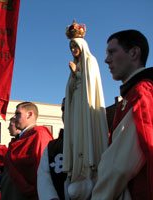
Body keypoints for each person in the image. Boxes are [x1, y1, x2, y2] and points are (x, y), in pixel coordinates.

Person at [91, 30, 153, 200]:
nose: (106, 60)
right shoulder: (133, 93)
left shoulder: (141, 93)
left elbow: (119, 166)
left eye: (112, 52)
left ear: (133, 52)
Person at [63, 21, 108, 199]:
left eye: (75, 46)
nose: (73, 49)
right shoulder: (75, 66)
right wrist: (74, 76)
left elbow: (91, 84)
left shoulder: (90, 61)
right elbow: (72, 88)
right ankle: (77, 171)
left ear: (82, 45)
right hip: (76, 108)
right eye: (71, 46)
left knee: (85, 134)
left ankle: (89, 169)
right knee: (77, 137)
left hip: (86, 106)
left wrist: (77, 73)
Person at [0, 101, 53, 200]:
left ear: (30, 114)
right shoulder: (21, 139)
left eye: (18, 114)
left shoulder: (39, 134)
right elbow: (16, 168)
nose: (15, 117)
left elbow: (41, 171)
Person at [37, 98, 67, 200]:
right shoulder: (52, 147)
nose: (66, 113)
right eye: (63, 109)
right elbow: (44, 177)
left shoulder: (97, 139)